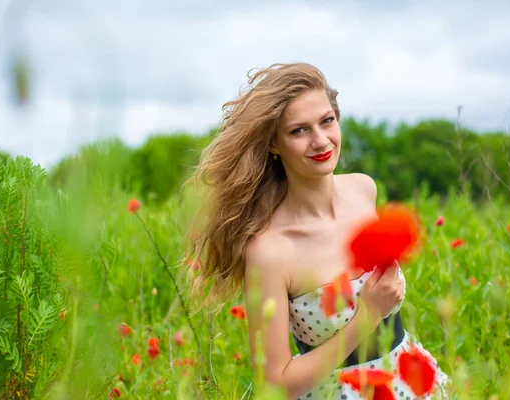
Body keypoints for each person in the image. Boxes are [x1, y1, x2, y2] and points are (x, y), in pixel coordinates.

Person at [186, 62, 450, 399]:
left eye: (327, 121)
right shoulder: (270, 250)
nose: (320, 140)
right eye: (299, 130)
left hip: (409, 380)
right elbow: (275, 382)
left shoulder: (363, 190)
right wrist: (367, 316)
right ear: (273, 145)